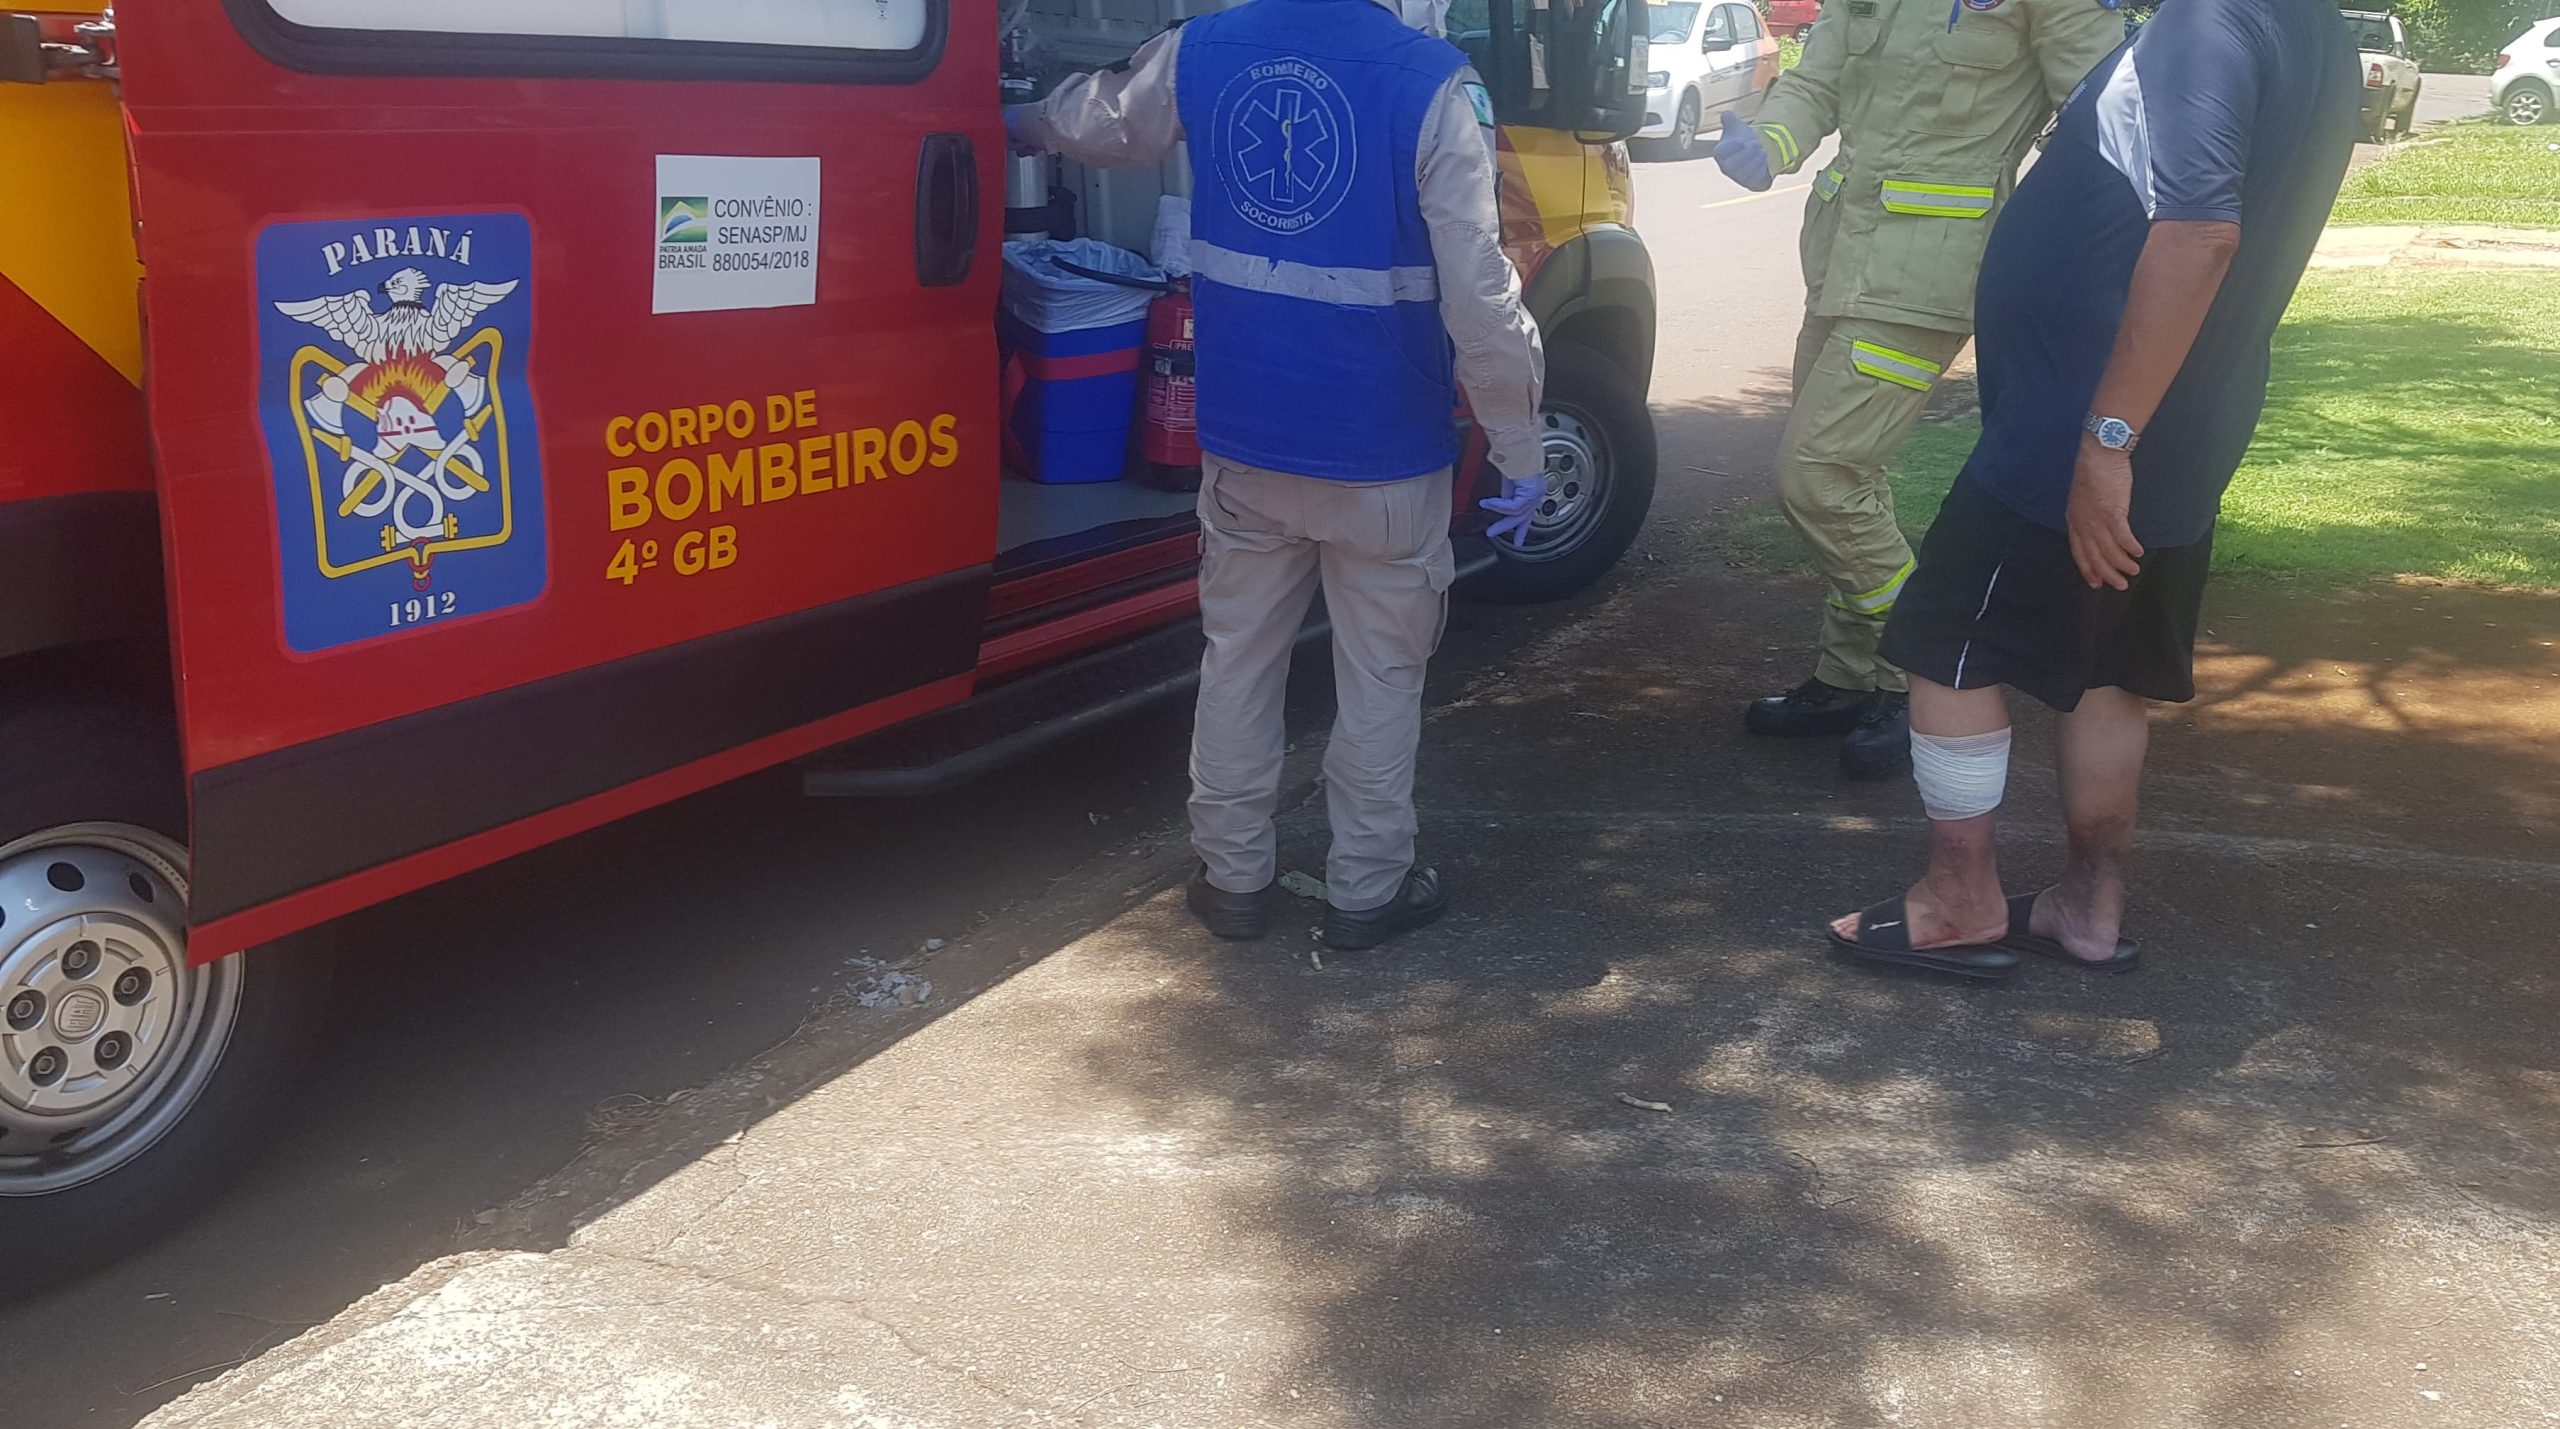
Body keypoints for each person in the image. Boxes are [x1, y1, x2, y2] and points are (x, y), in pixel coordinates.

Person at [1825, 0, 2361, 979]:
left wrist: (2104, 441)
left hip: (2086, 421)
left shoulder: (2210, 22)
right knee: (2108, 672)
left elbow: (2198, 234)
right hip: (2188, 414)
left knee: (1945, 638)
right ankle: (2085, 905)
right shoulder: (2314, 30)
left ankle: (1956, 898)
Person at [1007, 0, 1546, 950]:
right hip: (1383, 451)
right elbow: (1481, 290)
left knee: (1239, 661)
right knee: (1379, 678)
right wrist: (1518, 445)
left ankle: (1233, 879)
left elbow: (1098, 125)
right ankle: (1366, 893)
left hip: (1246, 440)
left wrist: (1012, 116)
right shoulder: (1432, 82)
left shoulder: (1203, 48)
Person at [1714, 0, 2123, 780]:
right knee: (1849, 477)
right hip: (1841, 259)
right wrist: (1768, 142)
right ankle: (1846, 676)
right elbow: (1819, 79)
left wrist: (2062, 249)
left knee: (1819, 475)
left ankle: (1918, 674)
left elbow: (2104, 113)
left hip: (1929, 274)